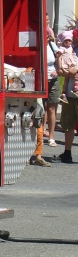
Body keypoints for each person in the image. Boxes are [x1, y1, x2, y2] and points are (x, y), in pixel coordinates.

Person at [54, 29, 78, 163]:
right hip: (69, 94)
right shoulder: (70, 50)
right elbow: (64, 70)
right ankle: (67, 153)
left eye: (74, 38)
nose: (73, 40)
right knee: (68, 124)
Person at [43, 13, 59, 147]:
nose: (47, 38)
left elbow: (59, 61)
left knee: (52, 108)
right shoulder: (38, 47)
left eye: (48, 36)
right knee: (41, 108)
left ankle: (51, 137)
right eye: (45, 35)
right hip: (41, 80)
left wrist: (57, 70)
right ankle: (41, 133)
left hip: (53, 79)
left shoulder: (52, 46)